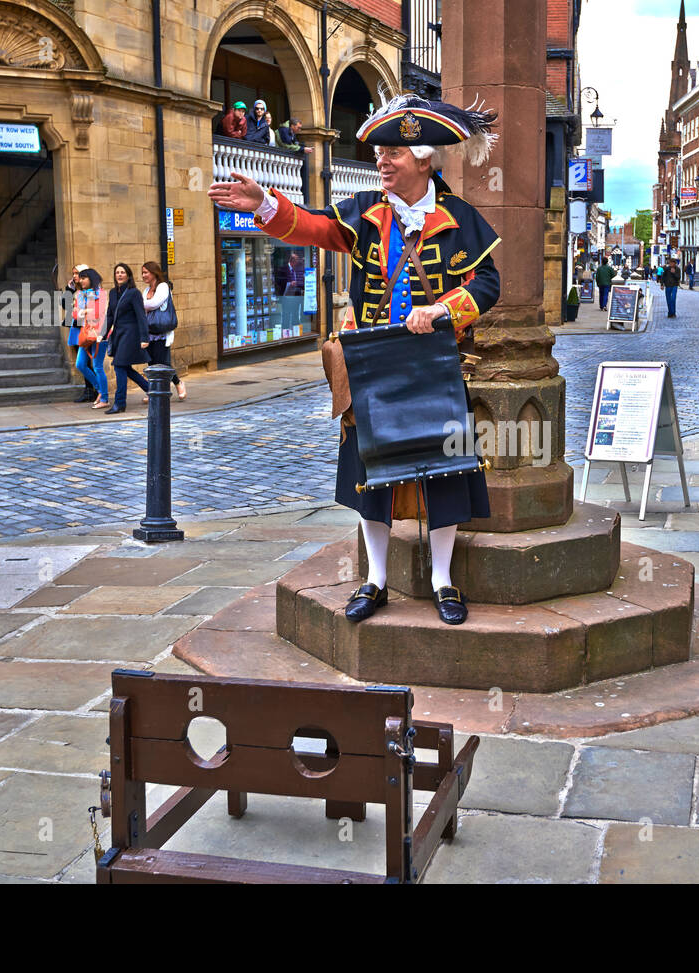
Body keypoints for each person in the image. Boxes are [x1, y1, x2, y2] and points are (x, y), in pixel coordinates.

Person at [209, 91, 501, 626]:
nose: (381, 162)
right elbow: (314, 225)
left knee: (444, 472)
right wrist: (263, 204)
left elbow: (487, 284)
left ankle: (443, 580)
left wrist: (442, 309)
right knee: (373, 475)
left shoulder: (460, 219)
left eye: (391, 153)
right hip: (373, 363)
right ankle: (375, 580)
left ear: (423, 158)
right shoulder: (365, 213)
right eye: (379, 155)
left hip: (436, 363)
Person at [102, 263, 150, 415]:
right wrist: (102, 334)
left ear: (128, 275)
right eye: (117, 272)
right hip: (118, 334)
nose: (120, 275)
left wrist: (144, 337)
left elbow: (141, 316)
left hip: (131, 334)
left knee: (119, 366)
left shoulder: (134, 293)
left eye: (123, 272)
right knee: (125, 368)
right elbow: (110, 315)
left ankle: (120, 403)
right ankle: (152, 390)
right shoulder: (112, 293)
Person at [140, 261, 187, 401]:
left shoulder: (163, 287)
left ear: (154, 272)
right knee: (151, 363)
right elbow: (147, 306)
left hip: (161, 331)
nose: (143, 275)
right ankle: (154, 391)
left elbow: (154, 303)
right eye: (142, 273)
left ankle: (178, 383)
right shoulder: (145, 291)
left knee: (163, 363)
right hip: (148, 332)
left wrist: (140, 304)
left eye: (145, 272)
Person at [72, 268, 110, 409]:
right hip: (86, 334)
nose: (80, 280)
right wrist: (84, 311)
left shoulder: (101, 293)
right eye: (80, 278)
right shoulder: (80, 294)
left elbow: (99, 312)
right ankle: (100, 390)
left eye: (83, 278)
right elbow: (75, 315)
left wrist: (84, 311)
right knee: (80, 364)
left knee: (97, 366)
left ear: (91, 278)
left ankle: (104, 398)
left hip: (100, 332)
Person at [61, 264, 94, 403]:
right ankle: (89, 389)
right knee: (82, 362)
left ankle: (95, 389)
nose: (74, 276)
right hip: (75, 328)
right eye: (73, 273)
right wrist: (69, 290)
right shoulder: (75, 290)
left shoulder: (89, 291)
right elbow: (64, 305)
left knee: (88, 361)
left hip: (85, 329)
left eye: (77, 273)